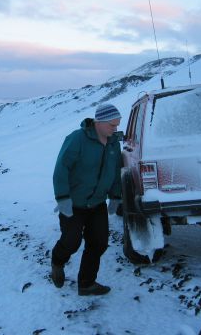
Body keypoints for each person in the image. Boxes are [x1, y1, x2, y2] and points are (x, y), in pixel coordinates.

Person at [51, 103, 122, 296]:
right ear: (98, 122)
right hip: (73, 203)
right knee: (71, 241)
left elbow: (115, 171)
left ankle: (86, 283)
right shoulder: (77, 139)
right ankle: (57, 262)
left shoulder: (114, 143)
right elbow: (61, 168)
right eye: (112, 125)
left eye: (117, 125)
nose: (115, 129)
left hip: (97, 203)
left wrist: (116, 196)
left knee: (99, 243)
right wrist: (63, 197)